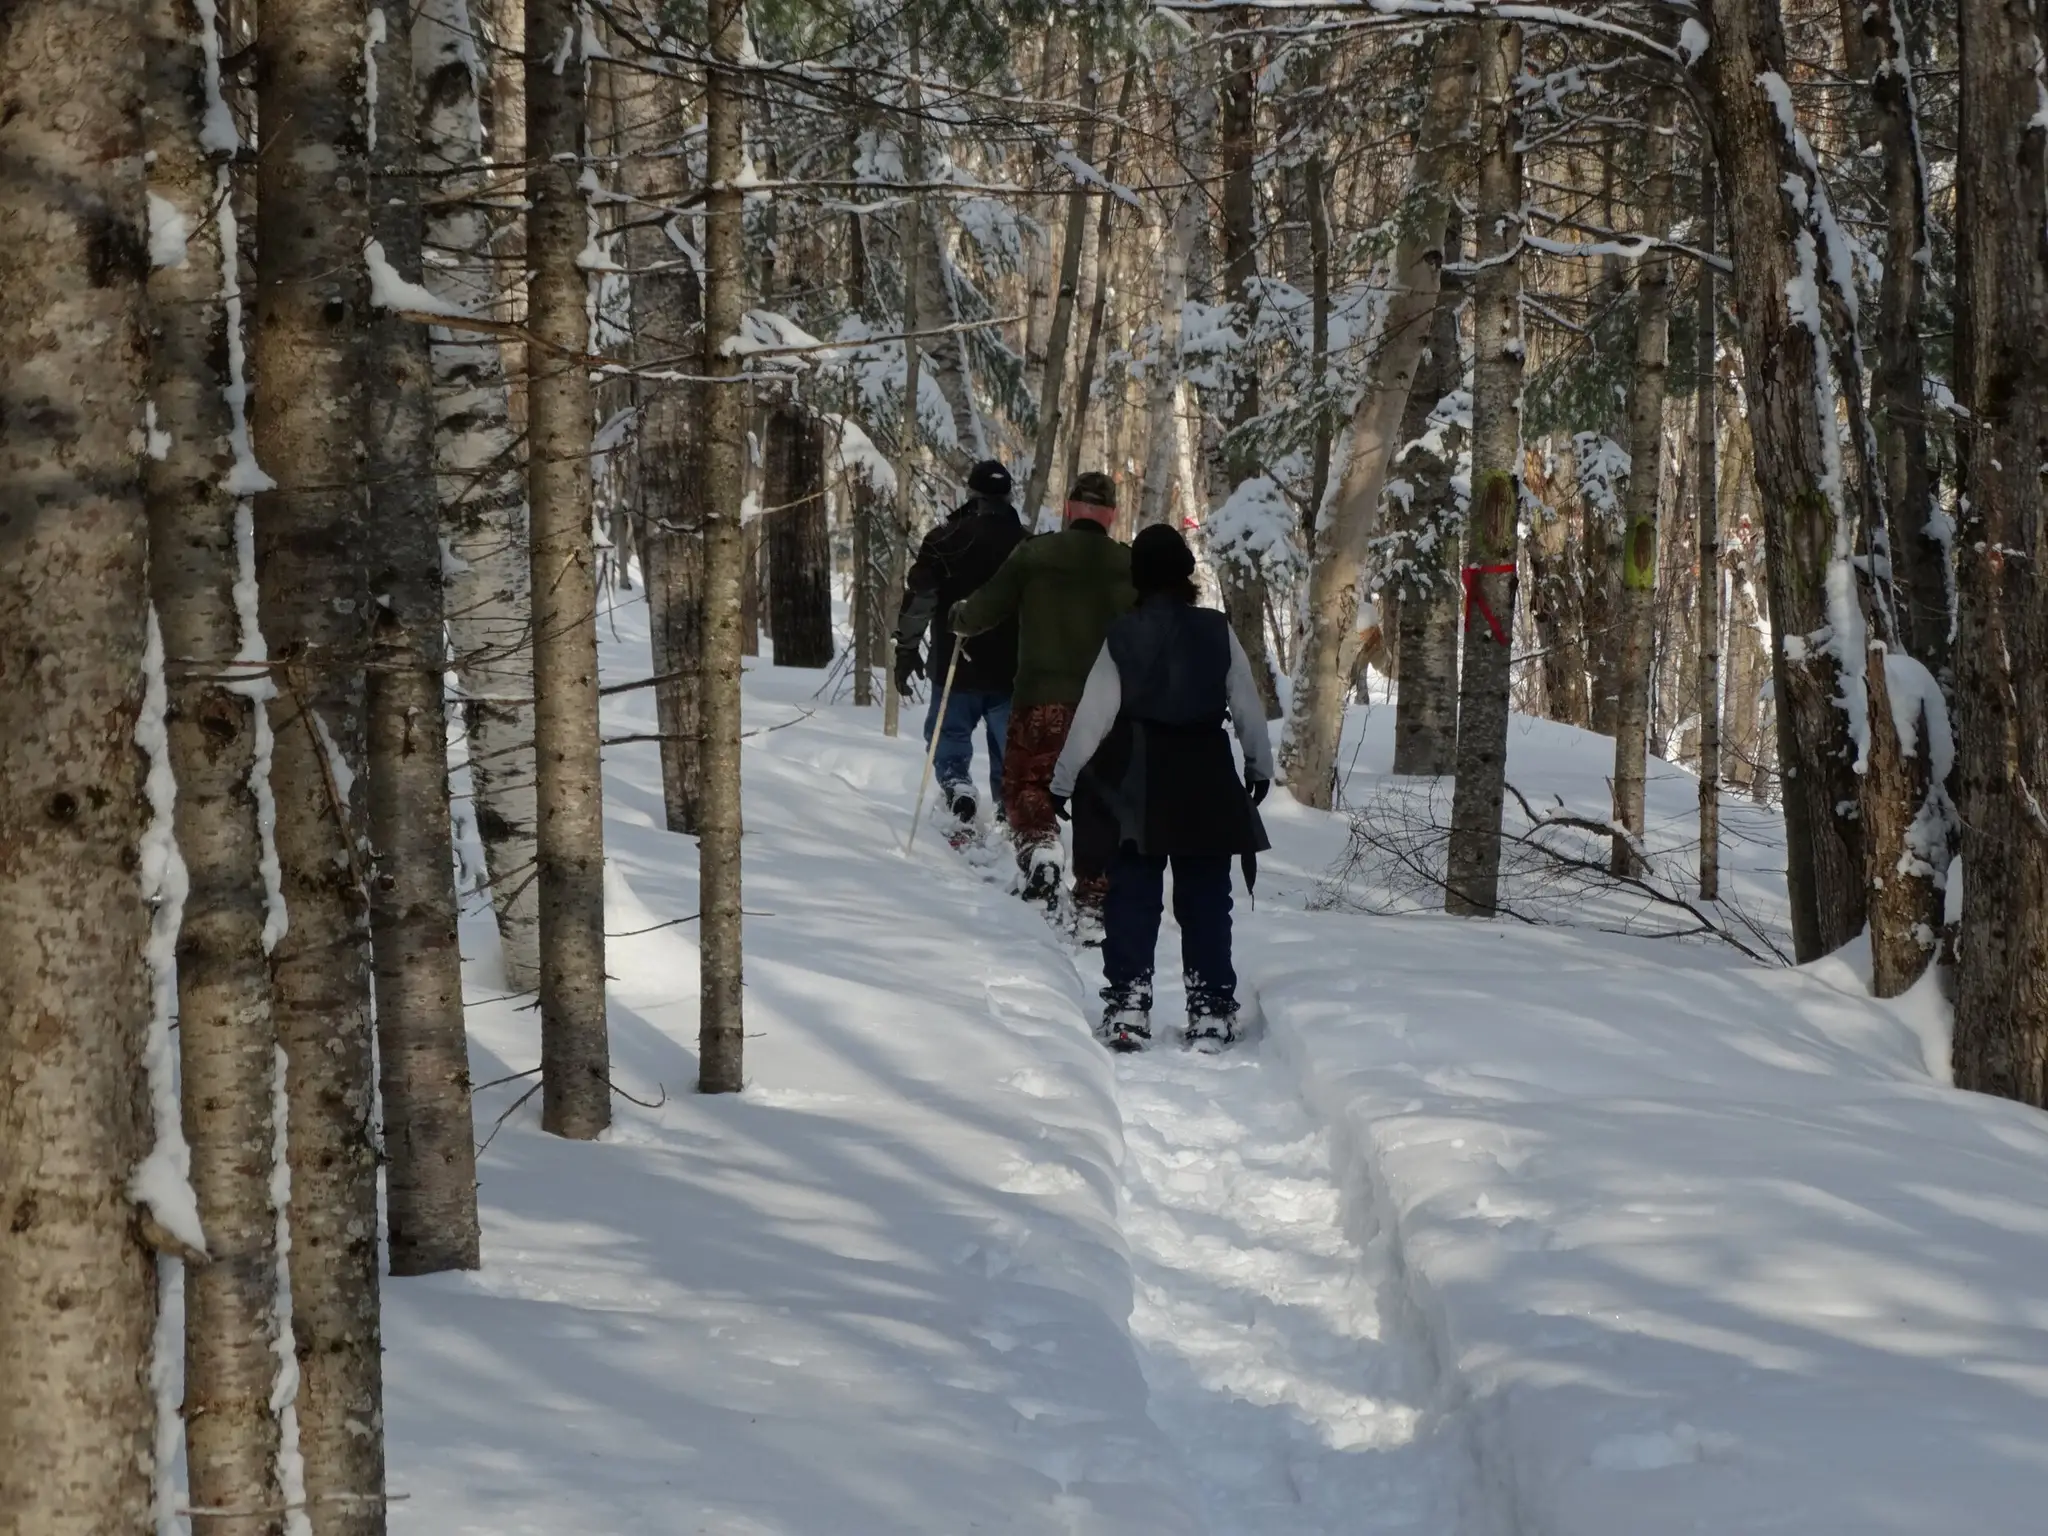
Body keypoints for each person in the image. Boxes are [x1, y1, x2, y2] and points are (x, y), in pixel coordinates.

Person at [1050, 524, 1274, 1052]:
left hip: (1138, 782)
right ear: (1186, 576)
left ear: (1138, 578)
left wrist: (1062, 780)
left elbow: (1092, 719)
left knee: (1133, 894)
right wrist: (1258, 767)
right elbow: (1246, 706)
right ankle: (1211, 1009)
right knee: (1205, 898)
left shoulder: (1121, 636)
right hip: (1206, 778)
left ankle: (1128, 1005)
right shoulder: (1216, 631)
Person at [951, 472, 1133, 917]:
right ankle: (1095, 895)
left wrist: (959, 616)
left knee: (1028, 785)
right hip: (1109, 711)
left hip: (1041, 700)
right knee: (1101, 797)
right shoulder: (1130, 565)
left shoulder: (1035, 555)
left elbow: (981, 611)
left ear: (1069, 509)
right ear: (1111, 516)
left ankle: (1041, 850)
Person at [893, 459, 1026, 824]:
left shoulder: (945, 539)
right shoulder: (1027, 544)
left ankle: (957, 787)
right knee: (1009, 748)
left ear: (972, 493)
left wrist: (906, 651)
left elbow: (921, 599)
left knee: (949, 736)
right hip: (1011, 669)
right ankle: (1008, 807)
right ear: (1008, 495)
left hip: (955, 663)